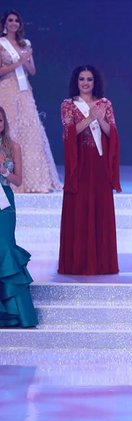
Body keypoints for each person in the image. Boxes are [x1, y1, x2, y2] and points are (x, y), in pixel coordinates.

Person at [59, 65, 121, 275]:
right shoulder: (68, 105)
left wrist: (99, 118)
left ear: (95, 82)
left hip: (99, 163)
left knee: (99, 209)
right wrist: (89, 118)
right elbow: (68, 133)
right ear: (76, 82)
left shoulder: (105, 104)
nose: (85, 83)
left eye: (89, 79)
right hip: (80, 163)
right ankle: (78, 262)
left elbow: (112, 133)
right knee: (79, 208)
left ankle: (102, 262)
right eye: (82, 79)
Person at [0, 10, 61, 193]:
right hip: (7, 89)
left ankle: (36, 179)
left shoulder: (25, 44)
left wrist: (25, 60)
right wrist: (19, 62)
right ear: (5, 23)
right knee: (10, 129)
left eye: (17, 21)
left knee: (31, 130)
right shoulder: (1, 44)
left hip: (24, 91)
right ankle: (8, 177)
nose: (14, 23)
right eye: (10, 20)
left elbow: (32, 71)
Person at [0, 106, 38, 328]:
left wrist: (3, 170)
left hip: (5, 202)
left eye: (0, 121)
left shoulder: (13, 147)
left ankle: (14, 311)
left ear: (4, 123)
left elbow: (18, 180)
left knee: (5, 247)